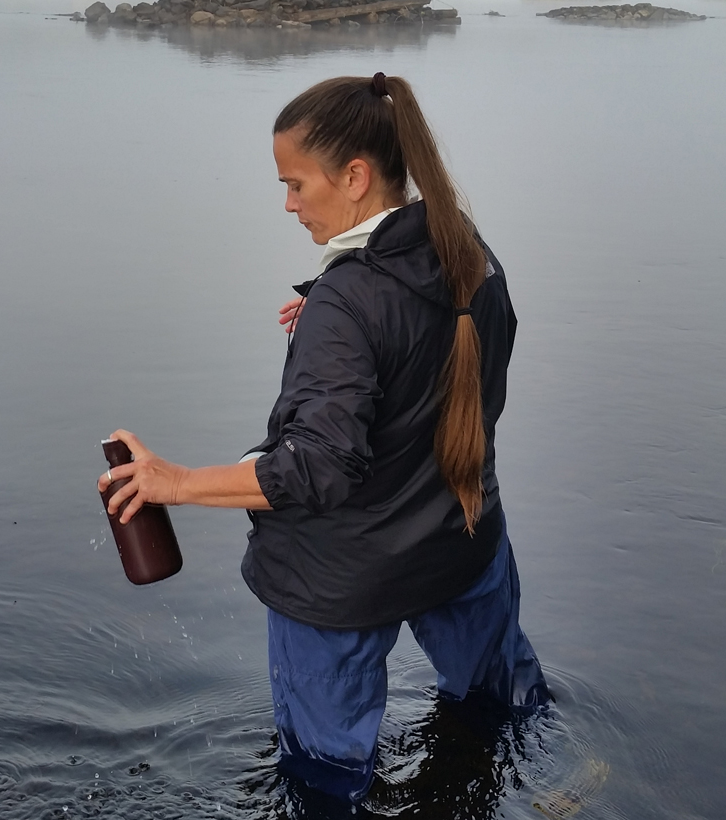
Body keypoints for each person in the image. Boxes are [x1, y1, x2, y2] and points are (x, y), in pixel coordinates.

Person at [98, 73, 549, 806]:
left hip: (341, 585)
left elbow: (318, 468)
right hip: (464, 545)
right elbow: (457, 353)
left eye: (296, 184)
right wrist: (340, 317)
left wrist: (173, 482)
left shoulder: (351, 301)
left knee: (326, 780)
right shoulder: (467, 248)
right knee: (498, 715)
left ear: (356, 176)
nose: (288, 203)